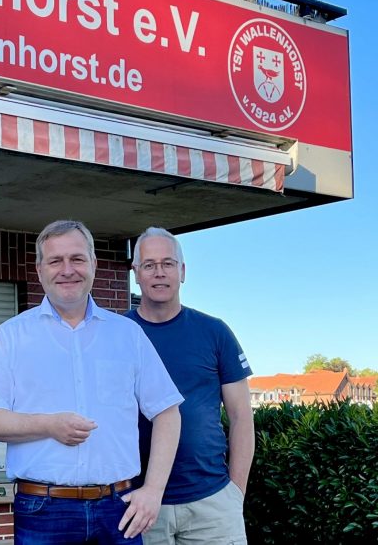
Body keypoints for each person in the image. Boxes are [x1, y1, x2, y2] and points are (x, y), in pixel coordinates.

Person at [0, 220, 183, 545]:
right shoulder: (12, 336)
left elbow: (168, 412)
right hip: (43, 510)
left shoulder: (127, 335)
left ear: (94, 265)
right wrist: (49, 425)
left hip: (120, 510)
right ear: (40, 270)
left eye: (77, 259)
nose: (67, 270)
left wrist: (153, 490)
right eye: (56, 261)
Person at [127, 227, 254, 545]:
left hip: (211, 503)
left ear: (182, 272)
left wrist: (235, 493)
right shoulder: (118, 335)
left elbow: (241, 417)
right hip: (140, 504)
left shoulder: (214, 332)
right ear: (136, 274)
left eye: (168, 264)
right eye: (149, 265)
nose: (159, 273)